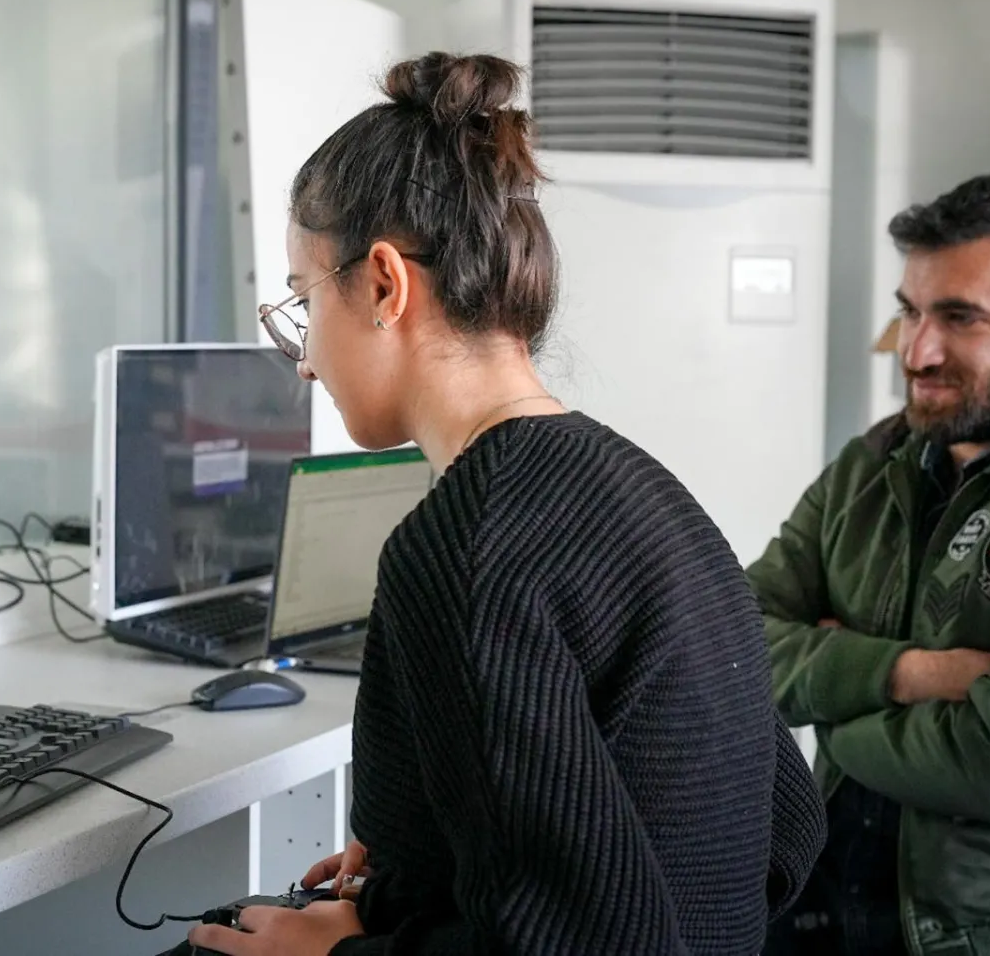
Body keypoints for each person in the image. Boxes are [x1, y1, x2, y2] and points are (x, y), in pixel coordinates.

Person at [176, 51, 825, 956]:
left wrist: (338, 955)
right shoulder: (646, 490)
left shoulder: (466, 548)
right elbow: (785, 828)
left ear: (385, 285)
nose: (307, 358)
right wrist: (442, 839)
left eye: (302, 303)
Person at [753, 172, 990, 956]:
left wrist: (828, 703)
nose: (916, 351)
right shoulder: (870, 465)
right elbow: (730, 649)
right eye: (910, 312)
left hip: (987, 938)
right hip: (813, 906)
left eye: (960, 318)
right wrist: (909, 674)